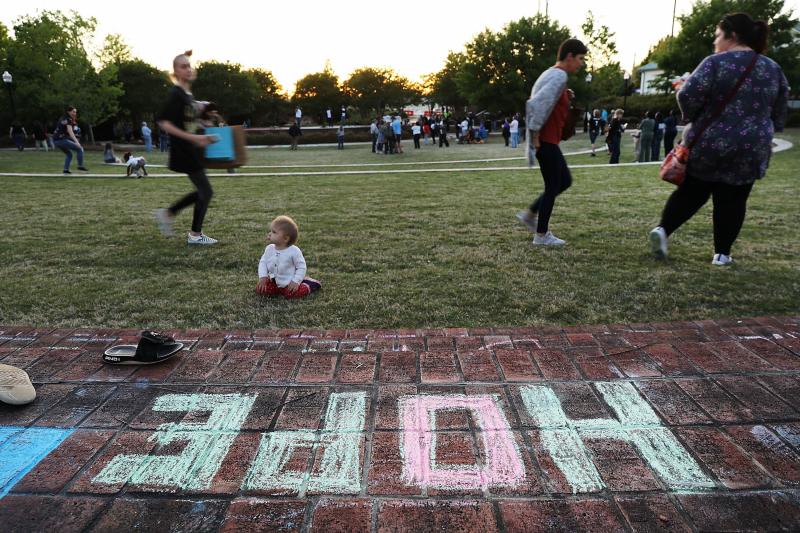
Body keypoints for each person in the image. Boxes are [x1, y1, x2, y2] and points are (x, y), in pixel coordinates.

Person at [649, 12, 789, 266]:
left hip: (709, 142)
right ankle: (722, 254)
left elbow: (687, 96)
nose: (715, 42)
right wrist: (771, 127)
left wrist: (689, 108)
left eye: (717, 36)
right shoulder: (772, 68)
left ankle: (662, 230)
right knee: (734, 198)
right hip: (751, 145)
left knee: (692, 191)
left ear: (731, 36)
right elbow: (781, 105)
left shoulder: (715, 62)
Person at [517, 38, 588, 246]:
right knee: (554, 185)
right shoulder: (559, 75)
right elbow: (537, 105)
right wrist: (536, 136)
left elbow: (543, 97)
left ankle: (530, 215)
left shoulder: (552, 74)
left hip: (547, 141)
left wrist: (565, 94)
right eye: (580, 59)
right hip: (545, 141)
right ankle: (540, 234)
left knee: (563, 181)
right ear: (569, 57)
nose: (581, 63)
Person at [154, 51, 219, 245]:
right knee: (205, 191)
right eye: (183, 66)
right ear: (175, 71)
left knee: (204, 191)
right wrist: (194, 138)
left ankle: (172, 216)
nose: (188, 69)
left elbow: (186, 121)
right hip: (184, 149)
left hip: (191, 148)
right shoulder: (176, 93)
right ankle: (189, 230)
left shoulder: (187, 95)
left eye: (189, 65)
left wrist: (202, 126)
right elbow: (163, 122)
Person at [256, 215, 321, 299]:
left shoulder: (294, 251)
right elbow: (263, 262)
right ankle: (276, 289)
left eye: (274, 232)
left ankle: (309, 284)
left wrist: (295, 281)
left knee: (291, 294)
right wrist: (263, 277)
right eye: (271, 231)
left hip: (289, 283)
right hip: (274, 282)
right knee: (260, 290)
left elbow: (301, 267)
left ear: (286, 238)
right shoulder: (269, 249)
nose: (269, 234)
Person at [53, 106, 89, 174]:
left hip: (56, 141)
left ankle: (65, 170)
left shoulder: (62, 118)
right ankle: (80, 166)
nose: (75, 113)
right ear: (68, 112)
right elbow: (70, 131)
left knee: (69, 154)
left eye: (75, 112)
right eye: (73, 112)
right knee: (80, 149)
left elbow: (64, 131)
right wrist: (76, 142)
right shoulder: (68, 119)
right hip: (61, 140)